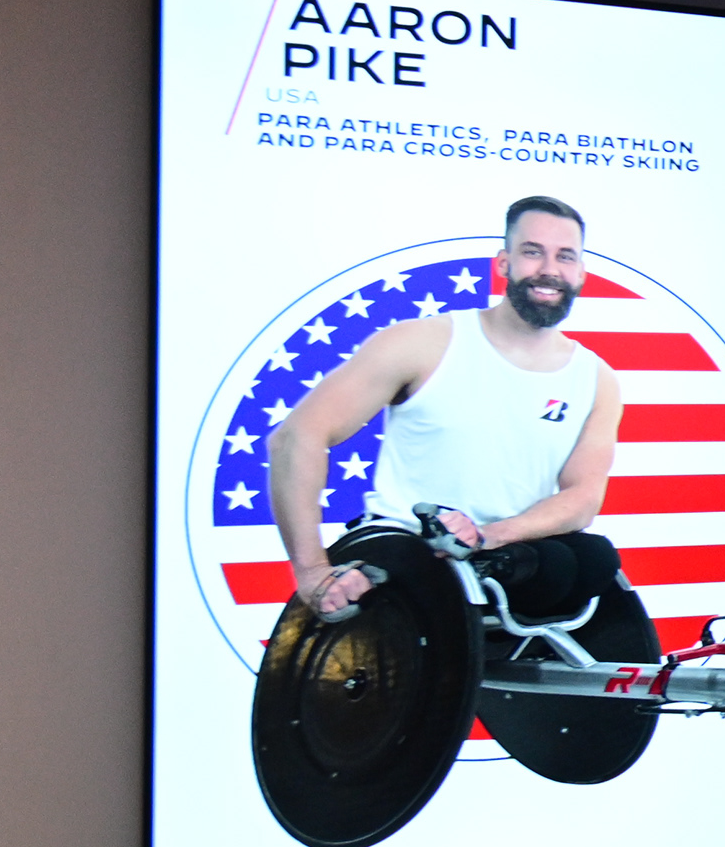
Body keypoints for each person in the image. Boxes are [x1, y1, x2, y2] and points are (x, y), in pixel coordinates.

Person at [267, 195, 629, 627]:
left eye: (564, 256)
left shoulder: (596, 379)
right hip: (403, 559)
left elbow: (583, 498)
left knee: (593, 558)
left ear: (581, 272)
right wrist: (311, 572)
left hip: (503, 557)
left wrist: (486, 536)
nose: (549, 269)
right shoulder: (424, 343)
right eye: (532, 252)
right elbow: (295, 438)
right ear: (504, 263)